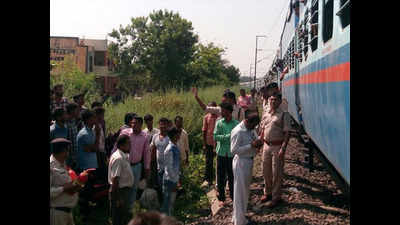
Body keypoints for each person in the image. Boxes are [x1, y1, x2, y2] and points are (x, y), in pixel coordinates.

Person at [230, 111, 262, 225]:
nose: (254, 127)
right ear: (247, 121)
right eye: (254, 125)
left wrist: (258, 142)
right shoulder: (238, 131)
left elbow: (255, 137)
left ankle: (238, 217)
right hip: (241, 162)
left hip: (248, 161)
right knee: (240, 193)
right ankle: (240, 222)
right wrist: (251, 146)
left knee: (244, 191)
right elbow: (233, 150)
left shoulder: (250, 128)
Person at [113, 116, 151, 211]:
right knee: (122, 187)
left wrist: (147, 168)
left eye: (136, 123)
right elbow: (116, 146)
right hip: (124, 165)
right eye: (132, 123)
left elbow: (146, 154)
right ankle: (121, 207)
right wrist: (111, 157)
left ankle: (130, 210)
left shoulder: (145, 136)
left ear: (141, 125)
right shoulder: (125, 133)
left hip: (136, 166)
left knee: (134, 188)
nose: (133, 125)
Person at [259, 93, 291, 208]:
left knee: (277, 172)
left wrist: (283, 148)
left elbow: (287, 132)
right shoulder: (266, 113)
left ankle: (276, 196)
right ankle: (267, 192)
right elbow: (263, 128)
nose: (272, 102)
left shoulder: (284, 114)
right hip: (266, 145)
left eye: (275, 100)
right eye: (271, 100)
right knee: (265, 170)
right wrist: (260, 141)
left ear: (279, 101)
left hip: (277, 146)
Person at [213, 102, 239, 206]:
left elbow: (237, 138)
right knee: (220, 176)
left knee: (232, 176)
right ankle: (222, 198)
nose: (221, 112)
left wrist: (224, 137)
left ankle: (233, 197)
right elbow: (215, 136)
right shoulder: (219, 123)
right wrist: (228, 136)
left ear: (229, 112)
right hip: (221, 154)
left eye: (223, 110)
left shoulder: (236, 124)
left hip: (232, 154)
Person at [50, 138, 81, 225]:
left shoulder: (63, 164)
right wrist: (63, 188)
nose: (68, 153)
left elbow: (68, 184)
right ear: (62, 151)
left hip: (68, 212)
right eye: (67, 150)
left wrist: (77, 184)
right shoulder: (51, 166)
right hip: (57, 214)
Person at [109, 135, 135, 225]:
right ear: (121, 145)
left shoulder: (123, 156)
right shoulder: (119, 158)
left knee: (123, 217)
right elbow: (115, 179)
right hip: (120, 191)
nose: (130, 145)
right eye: (128, 144)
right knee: (118, 218)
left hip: (124, 191)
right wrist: (118, 198)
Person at [161, 127, 181, 216]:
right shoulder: (169, 149)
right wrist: (174, 181)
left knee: (171, 203)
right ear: (173, 136)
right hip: (169, 180)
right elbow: (169, 168)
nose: (179, 136)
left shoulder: (175, 146)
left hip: (174, 179)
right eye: (177, 134)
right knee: (167, 203)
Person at [150, 118, 170, 201]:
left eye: (164, 124)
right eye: (161, 124)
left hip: (168, 168)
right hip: (159, 167)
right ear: (158, 125)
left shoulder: (170, 138)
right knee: (160, 186)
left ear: (168, 126)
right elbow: (153, 149)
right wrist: (151, 163)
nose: (162, 126)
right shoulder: (155, 137)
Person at [202, 101, 218, 186]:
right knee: (209, 161)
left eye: (212, 107)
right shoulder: (206, 117)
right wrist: (204, 144)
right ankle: (208, 179)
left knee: (219, 161)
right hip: (209, 142)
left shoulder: (219, 116)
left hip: (218, 142)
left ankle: (218, 180)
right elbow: (204, 131)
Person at [65, 103, 81, 171]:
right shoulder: (65, 123)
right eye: (77, 110)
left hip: (75, 156)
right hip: (69, 157)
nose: (78, 112)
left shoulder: (74, 121)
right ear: (72, 111)